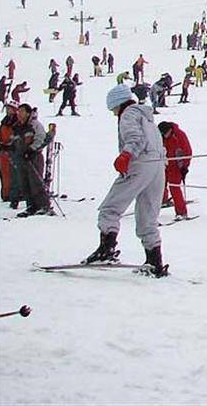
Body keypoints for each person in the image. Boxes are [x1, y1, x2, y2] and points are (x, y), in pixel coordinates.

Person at [84, 84, 167, 277]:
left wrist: (126, 155)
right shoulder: (148, 119)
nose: (114, 114)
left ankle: (106, 249)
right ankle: (155, 260)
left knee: (110, 208)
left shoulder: (128, 114)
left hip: (140, 163)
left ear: (118, 104)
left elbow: (135, 139)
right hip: (158, 166)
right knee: (148, 216)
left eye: (113, 109)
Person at [12, 104, 50, 216]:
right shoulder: (18, 126)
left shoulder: (35, 125)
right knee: (24, 183)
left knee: (36, 182)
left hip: (33, 157)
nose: (19, 113)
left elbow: (41, 138)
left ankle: (44, 205)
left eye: (22, 111)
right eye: (18, 111)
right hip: (21, 157)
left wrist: (31, 150)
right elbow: (15, 140)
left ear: (28, 113)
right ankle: (31, 206)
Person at [158, 121, 192, 219]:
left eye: (165, 133)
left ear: (170, 130)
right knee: (160, 183)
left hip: (177, 166)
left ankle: (181, 212)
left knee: (174, 187)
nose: (164, 136)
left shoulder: (179, 135)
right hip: (164, 164)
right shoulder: (161, 136)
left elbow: (187, 151)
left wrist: (184, 167)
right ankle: (163, 200)